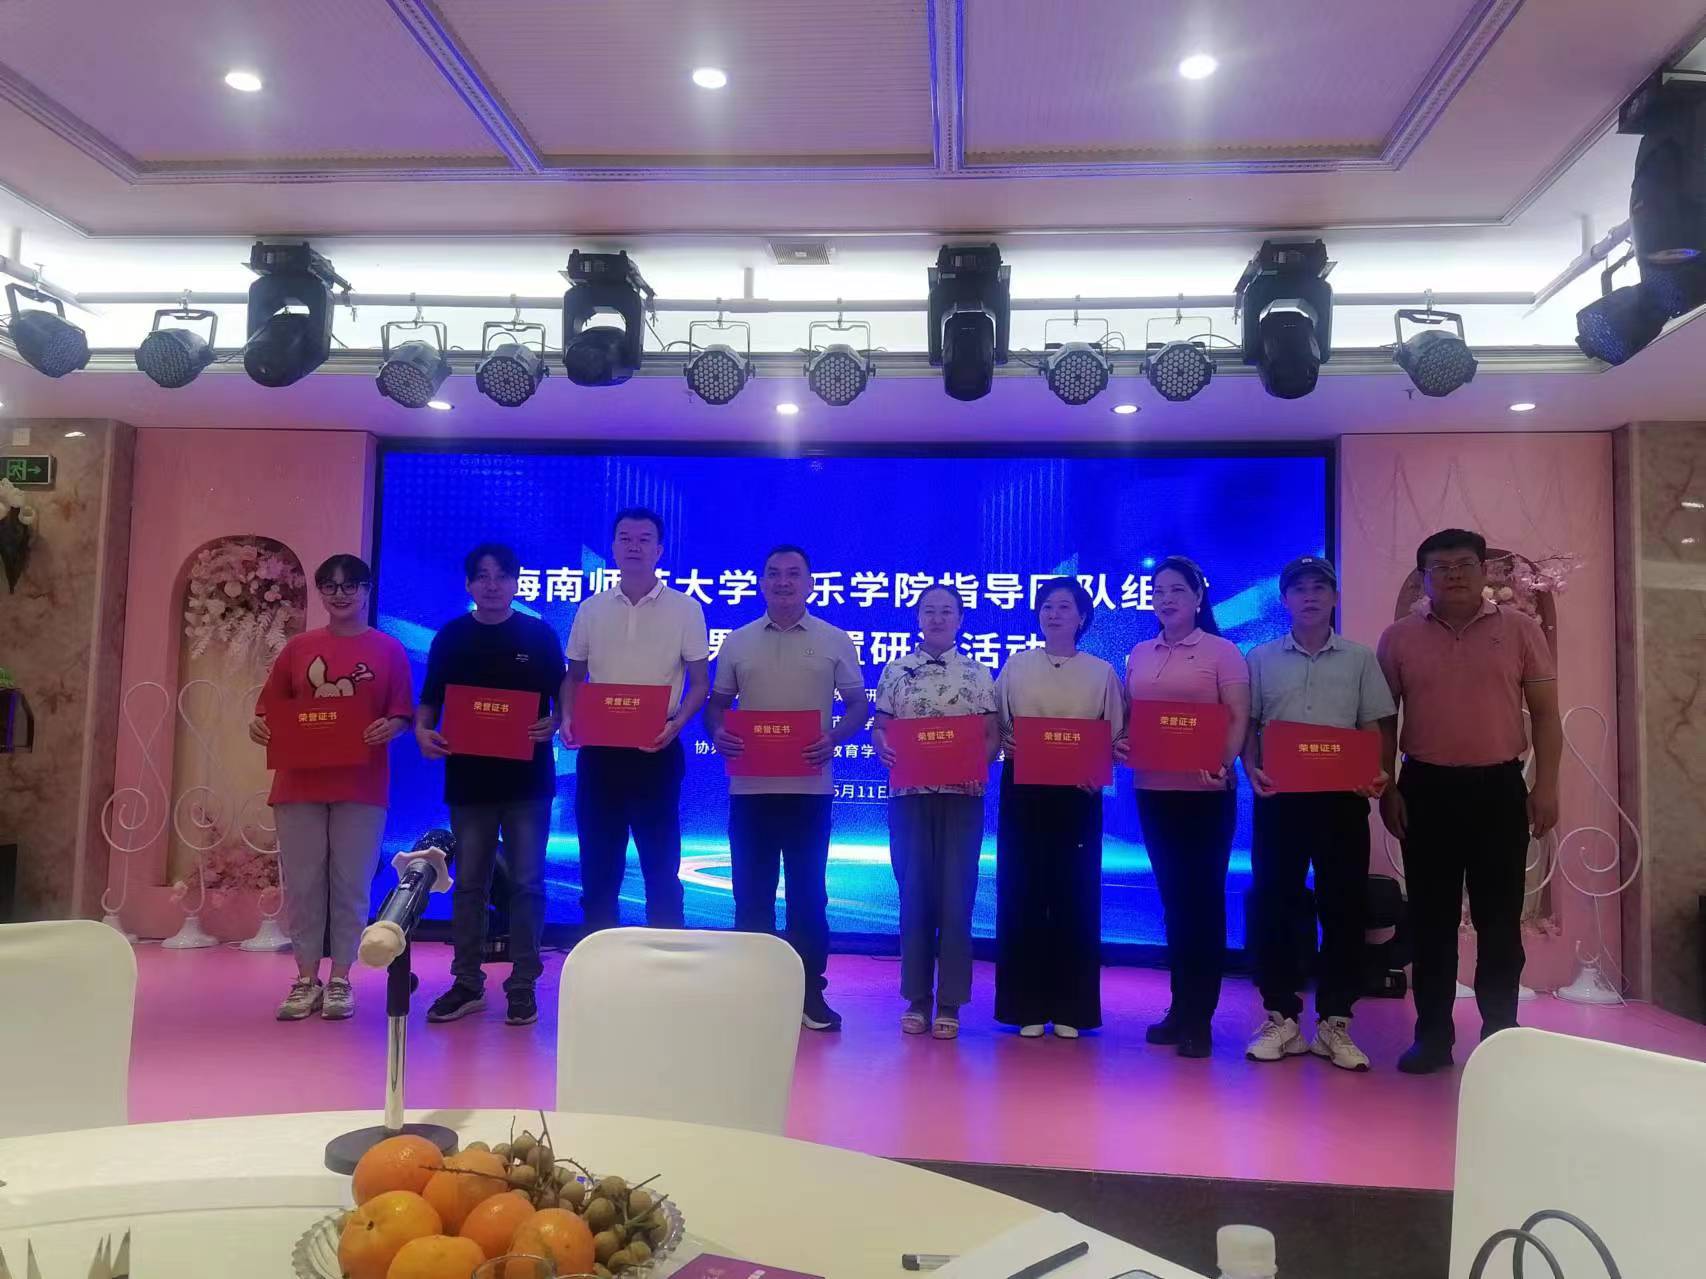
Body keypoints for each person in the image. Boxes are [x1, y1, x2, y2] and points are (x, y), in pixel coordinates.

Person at [1377, 529, 1561, 1074]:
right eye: (1440, 567)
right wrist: (1388, 787)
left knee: (1499, 921)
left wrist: (1547, 785)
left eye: (1463, 564)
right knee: (1430, 921)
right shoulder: (1398, 638)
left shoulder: (1521, 629)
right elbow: (1384, 721)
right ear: (1424, 578)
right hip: (1425, 789)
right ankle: (1433, 1037)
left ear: (1484, 572)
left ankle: (1500, 1038)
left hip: (1499, 790)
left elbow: (1546, 714)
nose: (1453, 574)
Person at [1241, 556, 1396, 1072]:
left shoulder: (1359, 659)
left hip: (1341, 799)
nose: (1309, 596)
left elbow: (1372, 724)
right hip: (1280, 799)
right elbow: (1250, 725)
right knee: (1275, 905)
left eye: (1319, 588)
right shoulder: (1261, 658)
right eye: (1299, 589)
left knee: (1343, 908)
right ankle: (1281, 1017)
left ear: (1334, 597)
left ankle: (1335, 1021)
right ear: (1284, 599)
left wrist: (1376, 771)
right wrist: (1250, 768)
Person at [706, 544, 870, 1031]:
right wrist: (717, 731)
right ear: (761, 582)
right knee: (751, 893)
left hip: (809, 789)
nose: (783, 582)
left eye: (793, 574)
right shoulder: (737, 641)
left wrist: (834, 738)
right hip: (750, 790)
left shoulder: (834, 639)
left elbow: (858, 706)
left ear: (810, 583)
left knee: (808, 896)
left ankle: (808, 993)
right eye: (774, 574)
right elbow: (717, 706)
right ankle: (753, 994)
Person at [249, 554, 413, 1022]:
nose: (341, 594)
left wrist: (393, 726)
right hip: (298, 783)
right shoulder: (299, 649)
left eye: (350, 585)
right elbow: (268, 711)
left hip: (361, 783)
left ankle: (341, 978)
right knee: (303, 884)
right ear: (321, 592)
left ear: (367, 590)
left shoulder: (388, 650)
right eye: (331, 586)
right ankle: (305, 978)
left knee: (351, 884)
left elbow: (402, 712)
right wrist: (259, 728)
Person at [417, 542, 565, 1028]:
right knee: (470, 886)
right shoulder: (452, 636)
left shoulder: (538, 635)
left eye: (502, 575)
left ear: (516, 582)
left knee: (527, 883)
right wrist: (423, 731)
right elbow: (430, 701)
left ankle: (523, 984)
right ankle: (467, 983)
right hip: (469, 780)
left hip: (528, 782)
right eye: (482, 575)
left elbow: (562, 695)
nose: (493, 584)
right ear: (469, 584)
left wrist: (557, 720)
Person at [1119, 555, 1250, 1059]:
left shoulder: (1222, 652)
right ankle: (1178, 1008)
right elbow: (1131, 718)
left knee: (1203, 902)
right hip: (1154, 791)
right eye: (1158, 591)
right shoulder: (1139, 653)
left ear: (1198, 597)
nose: (1166, 598)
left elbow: (1237, 716)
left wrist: (1223, 763)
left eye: (1177, 590)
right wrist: (1122, 742)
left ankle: (1201, 1017)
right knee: (1174, 902)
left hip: (1207, 794)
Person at [560, 508, 710, 932]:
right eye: (625, 538)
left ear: (659, 550)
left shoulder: (685, 609)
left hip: (656, 749)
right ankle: (598, 958)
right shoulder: (591, 609)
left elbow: (700, 683)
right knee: (598, 867)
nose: (634, 546)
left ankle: (666, 958)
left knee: (661, 868)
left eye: (644, 539)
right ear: (613, 547)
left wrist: (676, 725)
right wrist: (568, 717)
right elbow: (574, 676)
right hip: (600, 752)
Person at [993, 577, 1125, 1040]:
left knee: (1075, 894)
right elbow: (995, 724)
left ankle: (1073, 1008)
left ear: (1082, 617)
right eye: (1047, 606)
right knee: (1022, 892)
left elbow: (1115, 736)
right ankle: (1024, 1006)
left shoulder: (1101, 672)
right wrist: (1004, 741)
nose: (1054, 614)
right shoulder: (1016, 666)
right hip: (1024, 790)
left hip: (1078, 794)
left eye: (1064, 606)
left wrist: (1099, 767)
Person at [872, 584, 999, 1039]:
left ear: (960, 619)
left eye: (947, 611)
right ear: (918, 617)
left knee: (956, 897)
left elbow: (991, 735)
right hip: (909, 796)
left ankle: (950, 1001)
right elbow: (881, 727)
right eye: (930, 610)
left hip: (962, 797)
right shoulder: (896, 670)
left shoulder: (978, 673)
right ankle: (917, 997)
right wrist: (883, 747)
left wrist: (978, 767)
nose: (938, 618)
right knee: (914, 895)